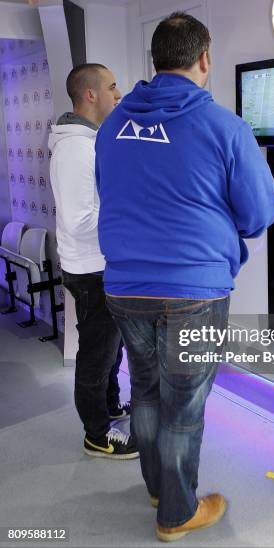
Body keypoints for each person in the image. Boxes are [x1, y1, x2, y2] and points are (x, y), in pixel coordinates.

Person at [95, 13, 274, 540]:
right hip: (193, 290)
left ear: (156, 59)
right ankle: (176, 511)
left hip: (126, 287)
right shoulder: (225, 126)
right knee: (184, 404)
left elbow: (111, 193)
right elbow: (258, 214)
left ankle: (158, 485)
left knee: (147, 392)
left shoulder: (112, 127)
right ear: (204, 58)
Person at [49, 63, 138, 460]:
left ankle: (110, 407)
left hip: (101, 264)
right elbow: (80, 219)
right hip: (90, 270)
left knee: (110, 348)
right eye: (112, 87)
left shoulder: (90, 142)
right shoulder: (75, 149)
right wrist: (128, 208)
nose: (118, 95)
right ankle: (96, 434)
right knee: (97, 355)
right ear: (90, 94)